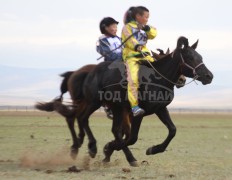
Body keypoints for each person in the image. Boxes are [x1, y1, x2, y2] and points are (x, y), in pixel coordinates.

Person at [121, 6, 157, 117]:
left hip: (146, 56)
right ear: (138, 16)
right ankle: (135, 107)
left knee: (161, 69)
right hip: (132, 58)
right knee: (133, 80)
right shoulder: (127, 27)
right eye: (146, 17)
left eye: (148, 17)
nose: (147, 19)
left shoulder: (146, 27)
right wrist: (137, 46)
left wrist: (145, 28)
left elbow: (154, 34)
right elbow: (129, 40)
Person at [96, 17, 123, 119]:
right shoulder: (101, 40)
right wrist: (122, 56)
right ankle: (108, 106)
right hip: (110, 65)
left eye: (116, 26)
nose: (115, 29)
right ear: (105, 28)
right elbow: (108, 54)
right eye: (113, 26)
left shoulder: (120, 39)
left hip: (123, 63)